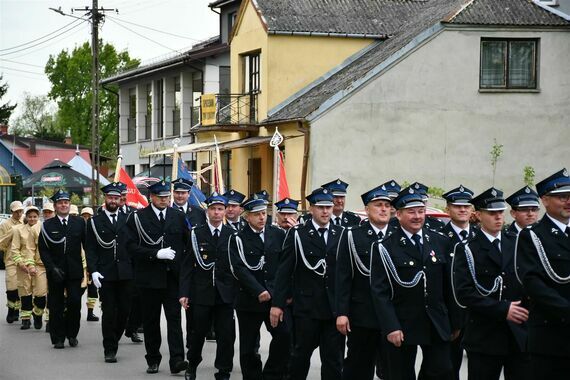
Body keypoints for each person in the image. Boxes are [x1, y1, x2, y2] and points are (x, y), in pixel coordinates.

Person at [370, 186, 459, 380]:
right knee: (400, 374)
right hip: (403, 323)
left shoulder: (440, 241)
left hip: (436, 321)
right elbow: (380, 292)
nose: (417, 216)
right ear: (399, 214)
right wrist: (391, 326)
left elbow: (448, 286)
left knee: (441, 369)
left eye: (421, 211)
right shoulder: (385, 246)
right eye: (411, 212)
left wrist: (454, 321)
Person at [452, 188, 530, 380]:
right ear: (478, 215)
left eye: (500, 212)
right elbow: (464, 293)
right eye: (491, 213)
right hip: (484, 335)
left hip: (518, 332)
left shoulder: (517, 243)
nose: (498, 217)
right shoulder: (467, 248)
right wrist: (502, 309)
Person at [271, 187, 346, 380]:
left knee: (333, 360)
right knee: (300, 357)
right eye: (320, 207)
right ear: (311, 208)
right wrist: (277, 304)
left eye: (328, 207)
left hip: (333, 309)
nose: (325, 211)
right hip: (306, 309)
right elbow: (284, 272)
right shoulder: (298, 234)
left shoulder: (342, 234)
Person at [127, 180, 188, 374]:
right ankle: (153, 359)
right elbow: (130, 246)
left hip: (172, 277)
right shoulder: (138, 218)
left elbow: (186, 245)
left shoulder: (177, 216)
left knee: (174, 320)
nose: (164, 200)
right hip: (149, 278)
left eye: (166, 197)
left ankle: (177, 360)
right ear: (151, 197)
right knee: (151, 321)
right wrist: (154, 254)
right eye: (160, 197)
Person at [515, 168, 570, 380]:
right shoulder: (533, 236)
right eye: (562, 197)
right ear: (545, 200)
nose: (568, 201)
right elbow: (531, 282)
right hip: (551, 337)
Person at [229, 195, 290, 380]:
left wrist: (277, 293)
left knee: (285, 336)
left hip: (274, 299)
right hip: (249, 299)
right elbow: (238, 268)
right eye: (257, 214)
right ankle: (252, 376)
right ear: (247, 217)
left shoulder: (278, 234)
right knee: (248, 346)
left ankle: (271, 374)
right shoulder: (238, 238)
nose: (262, 217)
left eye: (264, 213)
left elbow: (284, 266)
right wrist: (258, 290)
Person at [335, 185, 393, 380]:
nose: (384, 209)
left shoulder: (397, 236)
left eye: (387, 205)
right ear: (367, 210)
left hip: (393, 316)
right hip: (362, 315)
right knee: (358, 367)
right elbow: (343, 277)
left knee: (392, 367)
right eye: (378, 205)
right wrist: (342, 312)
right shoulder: (353, 235)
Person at [180, 192, 235, 380]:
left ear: (226, 211)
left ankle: (223, 370)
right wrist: (184, 292)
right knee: (197, 333)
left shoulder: (232, 235)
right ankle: (192, 365)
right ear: (207, 212)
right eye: (213, 209)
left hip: (225, 294)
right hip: (201, 293)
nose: (217, 213)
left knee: (226, 335)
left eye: (220, 209)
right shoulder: (196, 233)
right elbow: (187, 265)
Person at [85, 183, 135, 363]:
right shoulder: (94, 222)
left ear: (120, 199)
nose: (113, 201)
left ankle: (115, 337)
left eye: (116, 198)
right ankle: (109, 348)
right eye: (110, 198)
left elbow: (133, 246)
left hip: (126, 273)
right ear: (105, 199)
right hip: (105, 274)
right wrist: (94, 271)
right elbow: (90, 249)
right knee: (108, 311)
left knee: (124, 311)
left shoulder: (129, 219)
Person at [38, 189, 86, 349]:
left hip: (74, 271)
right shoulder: (48, 225)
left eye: (66, 202)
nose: (63, 205)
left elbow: (87, 245)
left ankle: (72, 334)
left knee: (75, 303)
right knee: (56, 305)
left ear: (69, 204)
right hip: (55, 272)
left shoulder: (79, 222)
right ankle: (58, 338)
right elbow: (43, 249)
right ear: (55, 206)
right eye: (60, 202)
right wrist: (51, 268)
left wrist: (91, 268)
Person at [441, 185, 475, 380]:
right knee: (449, 367)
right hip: (451, 314)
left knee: (480, 367)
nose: (462, 210)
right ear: (448, 210)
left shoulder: (480, 236)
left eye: (466, 206)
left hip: (478, 314)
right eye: (457, 206)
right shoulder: (439, 238)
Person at [11, 206, 45, 330]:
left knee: (40, 293)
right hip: (23, 266)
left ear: (39, 216)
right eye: (30, 216)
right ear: (26, 217)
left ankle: (38, 315)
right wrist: (20, 263)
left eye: (35, 216)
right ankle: (25, 319)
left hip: (39, 266)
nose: (32, 219)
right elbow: (14, 249)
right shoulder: (18, 230)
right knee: (25, 292)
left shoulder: (44, 228)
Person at [0, 200, 24, 324]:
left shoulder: (26, 221)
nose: (19, 214)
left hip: (24, 258)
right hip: (10, 259)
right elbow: (1, 243)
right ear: (11, 212)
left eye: (21, 211)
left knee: (22, 286)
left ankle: (17, 310)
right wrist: (13, 232)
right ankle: (11, 309)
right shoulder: (5, 225)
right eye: (16, 211)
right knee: (11, 285)